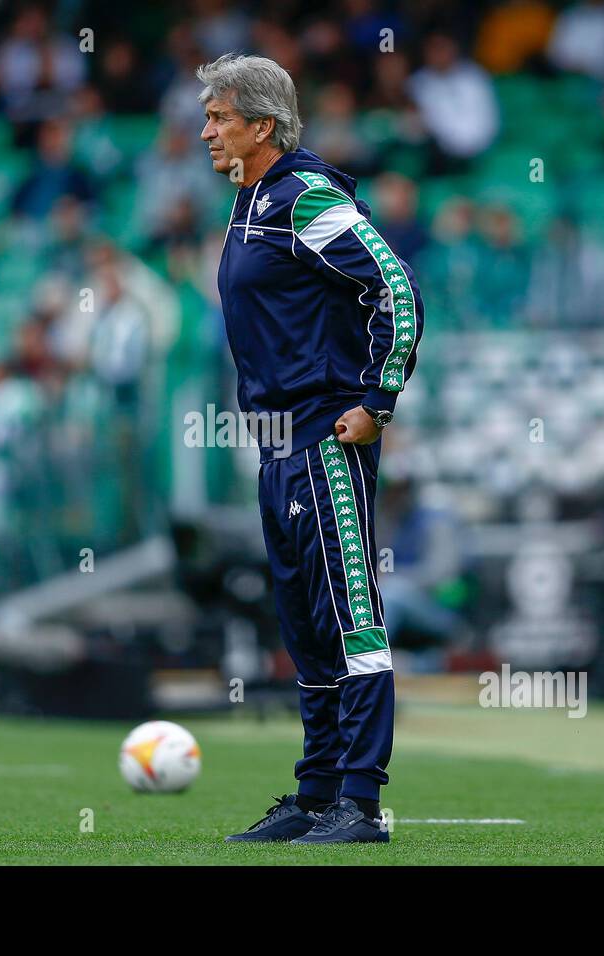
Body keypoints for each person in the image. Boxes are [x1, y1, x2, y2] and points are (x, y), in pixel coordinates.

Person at [199, 53, 424, 844]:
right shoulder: (252, 200)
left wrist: (377, 399)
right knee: (304, 625)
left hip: (325, 435)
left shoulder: (301, 197)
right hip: (277, 443)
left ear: (262, 125)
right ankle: (318, 789)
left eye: (220, 117)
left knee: (350, 616)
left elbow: (394, 287)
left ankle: (360, 802)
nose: (207, 132)